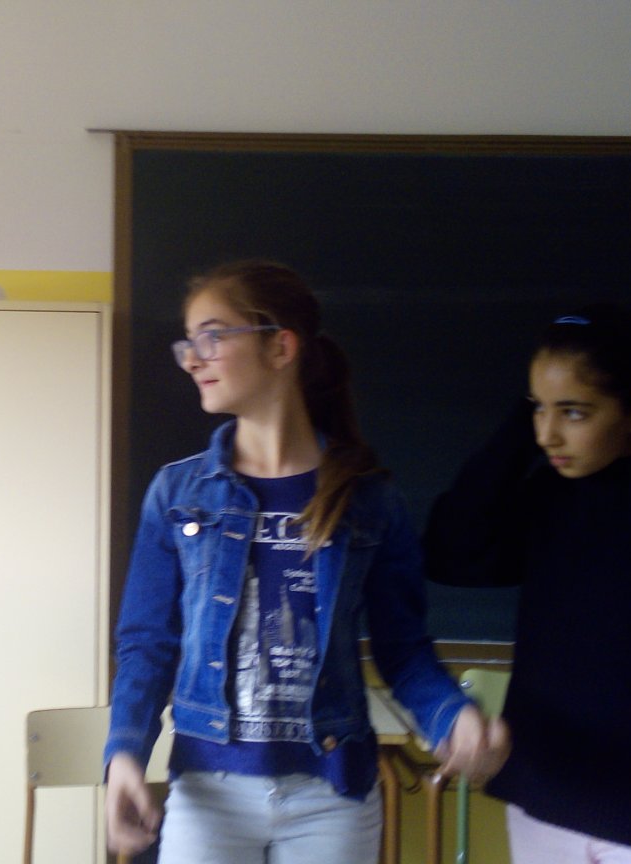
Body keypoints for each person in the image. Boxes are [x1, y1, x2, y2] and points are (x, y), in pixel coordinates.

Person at [103, 260, 509, 863]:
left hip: (332, 795)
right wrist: (124, 753)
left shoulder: (367, 498)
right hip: (208, 795)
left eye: (212, 337)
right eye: (188, 343)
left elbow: (402, 649)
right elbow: (147, 644)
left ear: (280, 346)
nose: (192, 360)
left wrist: (452, 716)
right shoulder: (178, 494)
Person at [424, 304, 631, 862]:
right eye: (539, 408)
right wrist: (525, 420)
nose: (548, 435)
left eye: (575, 413)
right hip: (546, 791)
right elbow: (452, 551)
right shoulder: (550, 496)